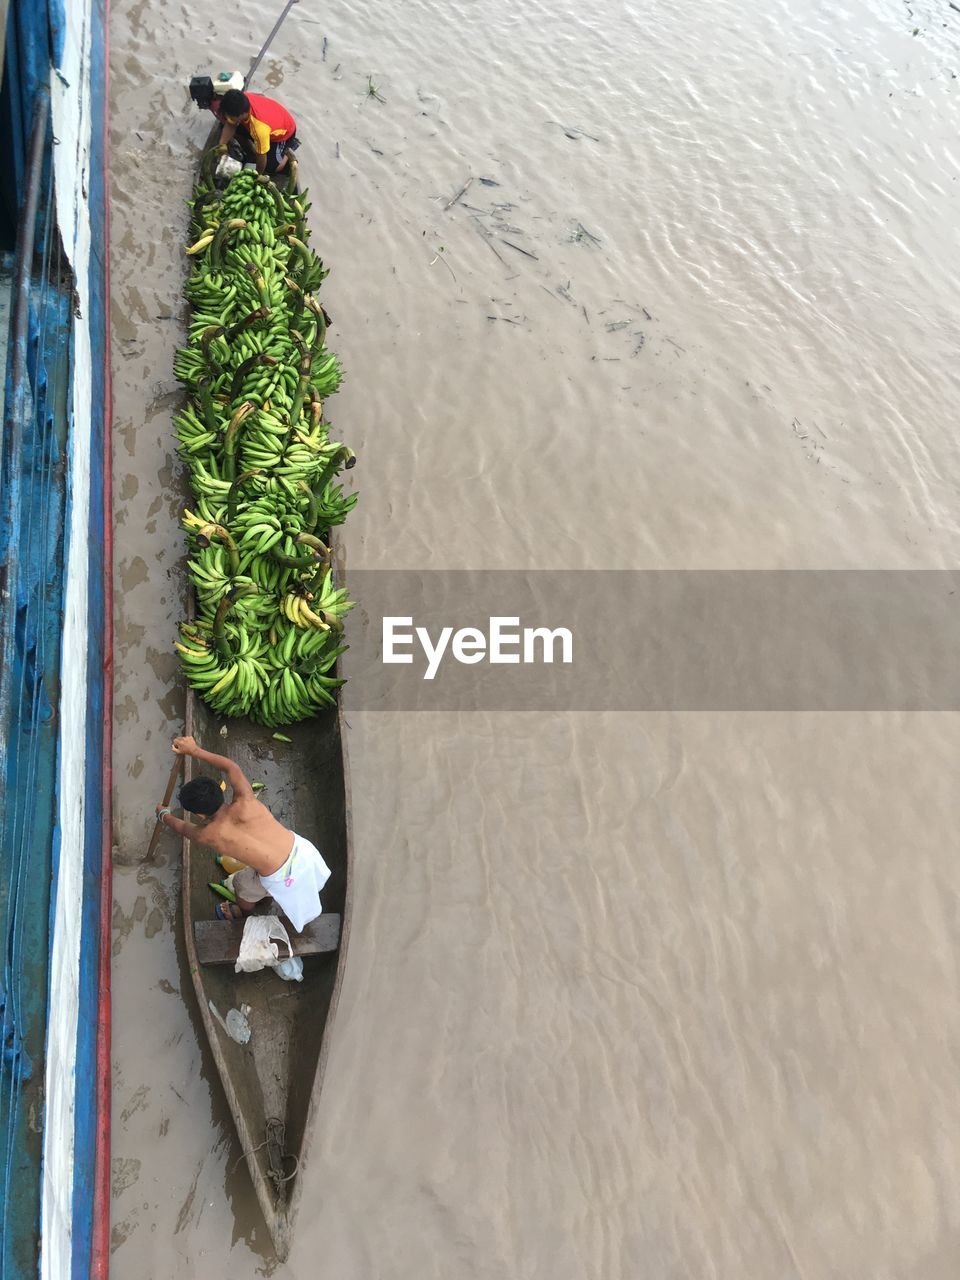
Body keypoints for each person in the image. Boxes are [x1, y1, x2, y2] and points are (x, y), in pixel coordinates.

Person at [156, 735, 330, 931]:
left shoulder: (210, 834)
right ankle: (269, 896)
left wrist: (164, 815)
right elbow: (231, 767)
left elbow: (182, 828)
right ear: (219, 792)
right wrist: (195, 750)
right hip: (303, 851)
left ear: (199, 814)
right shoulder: (246, 799)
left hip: (281, 878)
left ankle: (244, 913)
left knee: (242, 883)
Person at [214, 88, 298, 175]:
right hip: (269, 120)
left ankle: (290, 147)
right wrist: (222, 145)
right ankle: (251, 154)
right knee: (235, 131)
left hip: (283, 133)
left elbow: (262, 157)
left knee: (271, 168)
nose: (228, 119)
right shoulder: (242, 100)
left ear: (242, 114)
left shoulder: (259, 129)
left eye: (231, 117)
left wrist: (257, 175)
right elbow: (230, 124)